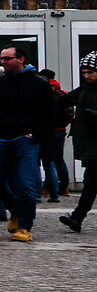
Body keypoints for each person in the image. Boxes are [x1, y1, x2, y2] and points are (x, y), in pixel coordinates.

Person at [0, 44, 56, 241]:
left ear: (21, 59)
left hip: (26, 139)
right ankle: (16, 210)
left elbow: (50, 114)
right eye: (1, 58)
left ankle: (25, 226)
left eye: (7, 58)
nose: (3, 62)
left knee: (26, 184)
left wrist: (37, 134)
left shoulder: (39, 84)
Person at [61, 56, 97, 232]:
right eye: (84, 73)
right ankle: (77, 217)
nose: (86, 76)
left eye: (90, 72)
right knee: (91, 183)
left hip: (93, 144)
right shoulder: (85, 89)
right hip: (90, 145)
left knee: (91, 183)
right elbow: (65, 99)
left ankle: (77, 217)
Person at [38, 66, 72, 202]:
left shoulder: (44, 89)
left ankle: (46, 188)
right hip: (61, 130)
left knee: (46, 161)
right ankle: (64, 187)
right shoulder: (61, 91)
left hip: (49, 131)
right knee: (58, 159)